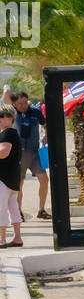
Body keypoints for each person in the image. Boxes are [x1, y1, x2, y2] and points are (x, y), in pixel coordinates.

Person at [1, 88, 49, 219]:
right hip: (19, 154)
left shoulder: (35, 112)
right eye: (20, 103)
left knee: (44, 179)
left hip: (34, 153)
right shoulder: (12, 113)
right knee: (19, 184)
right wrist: (7, 90)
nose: (23, 106)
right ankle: (19, 212)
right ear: (15, 104)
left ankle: (41, 210)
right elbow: (5, 100)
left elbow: (46, 125)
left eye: (25, 103)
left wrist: (46, 135)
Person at [0, 103, 23, 247]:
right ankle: (17, 237)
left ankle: (1, 239)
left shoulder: (7, 133)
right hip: (13, 177)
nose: (0, 119)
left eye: (2, 116)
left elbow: (4, 152)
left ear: (11, 118)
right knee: (13, 206)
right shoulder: (14, 133)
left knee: (1, 207)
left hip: (3, 177)